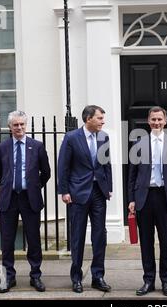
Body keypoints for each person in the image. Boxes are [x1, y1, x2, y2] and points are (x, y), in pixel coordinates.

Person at [128, 106, 167, 296]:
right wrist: (131, 199)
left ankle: (166, 281)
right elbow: (132, 175)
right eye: (153, 119)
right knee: (146, 241)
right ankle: (148, 280)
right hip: (144, 197)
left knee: (166, 241)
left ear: (165, 121)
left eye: (159, 119)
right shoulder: (138, 143)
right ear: (148, 121)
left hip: (165, 197)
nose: (156, 123)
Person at [58, 105, 113, 293]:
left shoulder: (104, 137)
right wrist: (64, 191)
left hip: (99, 192)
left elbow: (107, 164)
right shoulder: (71, 138)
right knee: (78, 237)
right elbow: (63, 166)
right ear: (88, 118)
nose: (102, 121)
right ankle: (76, 277)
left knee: (100, 236)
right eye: (99, 118)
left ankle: (98, 276)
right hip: (77, 193)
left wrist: (109, 187)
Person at [0, 110, 51, 293]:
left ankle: (35, 275)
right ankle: (9, 277)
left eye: (22, 124)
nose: (19, 127)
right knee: (7, 241)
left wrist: (33, 186)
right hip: (9, 199)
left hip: (30, 199)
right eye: (15, 125)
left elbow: (46, 172)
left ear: (26, 126)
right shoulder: (2, 147)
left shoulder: (37, 146)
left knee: (33, 239)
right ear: (10, 127)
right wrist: (11, 184)